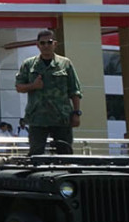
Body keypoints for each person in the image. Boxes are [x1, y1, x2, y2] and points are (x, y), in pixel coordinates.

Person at [16, 28, 82, 156]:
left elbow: (75, 90)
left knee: (65, 153)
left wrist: (76, 113)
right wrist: (33, 86)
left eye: (49, 42)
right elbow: (19, 87)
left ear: (55, 44)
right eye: (42, 43)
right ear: (37, 45)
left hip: (61, 117)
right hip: (37, 117)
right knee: (36, 154)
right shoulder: (29, 64)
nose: (46, 45)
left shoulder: (65, 64)